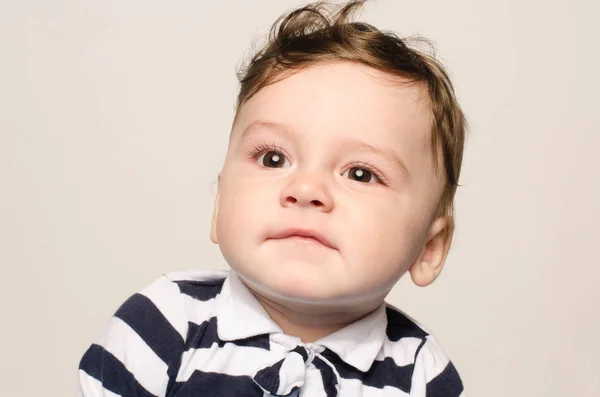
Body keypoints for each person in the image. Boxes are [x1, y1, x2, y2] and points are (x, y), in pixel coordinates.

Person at [78, 1, 467, 396]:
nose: (305, 190)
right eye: (274, 158)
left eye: (360, 173)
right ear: (218, 207)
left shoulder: (421, 373)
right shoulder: (165, 323)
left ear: (429, 248)